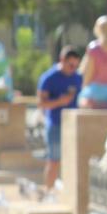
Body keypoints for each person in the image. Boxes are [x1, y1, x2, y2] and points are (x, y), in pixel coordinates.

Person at [38, 46, 83, 190]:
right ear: (62, 60)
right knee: (54, 161)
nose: (73, 68)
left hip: (73, 125)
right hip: (55, 124)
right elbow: (41, 103)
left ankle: (68, 192)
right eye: (70, 65)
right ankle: (48, 192)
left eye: (76, 65)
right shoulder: (48, 78)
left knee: (72, 161)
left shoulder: (78, 78)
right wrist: (59, 102)